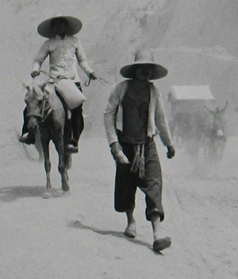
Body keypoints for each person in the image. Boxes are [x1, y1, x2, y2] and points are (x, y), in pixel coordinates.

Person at [104, 49, 175, 252]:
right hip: (125, 143)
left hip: (147, 144)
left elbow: (160, 119)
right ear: (134, 70)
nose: (145, 72)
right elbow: (108, 115)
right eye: (141, 68)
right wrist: (114, 144)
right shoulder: (121, 89)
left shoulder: (154, 91)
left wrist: (168, 143)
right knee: (127, 185)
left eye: (148, 69)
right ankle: (131, 221)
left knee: (154, 183)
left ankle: (157, 232)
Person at [20, 15, 97, 153]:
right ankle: (28, 132)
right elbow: (38, 59)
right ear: (52, 27)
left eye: (61, 24)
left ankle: (73, 140)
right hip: (54, 81)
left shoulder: (75, 41)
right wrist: (35, 69)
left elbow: (82, 60)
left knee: (77, 110)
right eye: (55, 24)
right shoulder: (48, 43)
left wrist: (89, 72)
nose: (58, 27)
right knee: (33, 100)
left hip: (72, 81)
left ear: (66, 26)